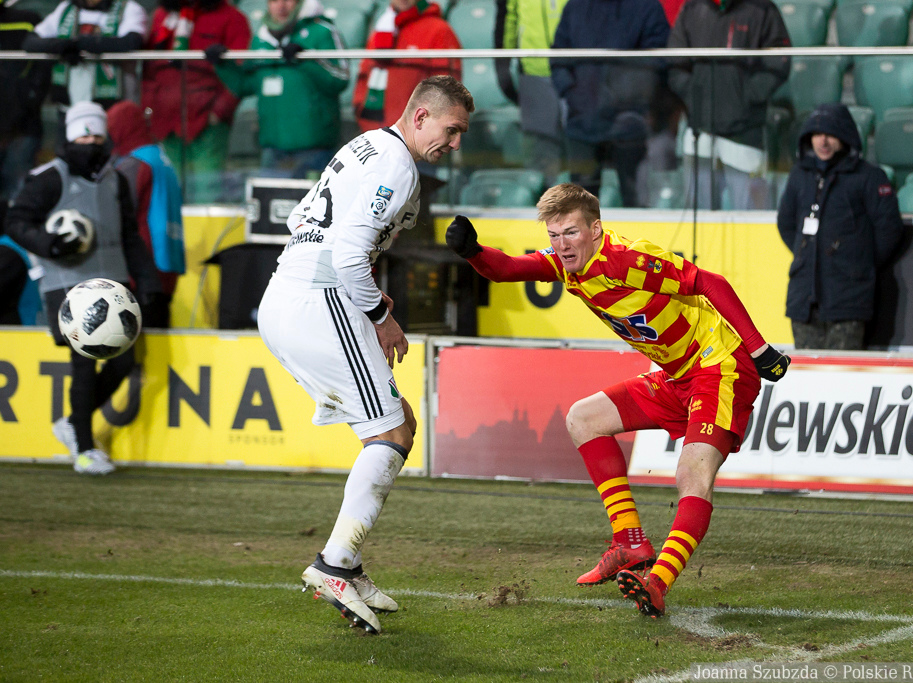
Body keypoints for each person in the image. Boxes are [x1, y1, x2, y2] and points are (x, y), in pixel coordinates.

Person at [445, 183, 790, 618]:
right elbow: (508, 269)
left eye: (571, 233)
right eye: (554, 235)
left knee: (692, 473)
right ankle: (629, 542)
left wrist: (760, 350)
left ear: (595, 229)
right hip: (677, 376)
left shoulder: (626, 260)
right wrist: (473, 251)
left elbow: (711, 283)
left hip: (719, 366)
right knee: (583, 419)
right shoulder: (568, 265)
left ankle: (657, 582)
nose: (561, 245)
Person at [257, 75, 473, 634]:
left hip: (290, 294)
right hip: (318, 300)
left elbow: (299, 220)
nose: (454, 143)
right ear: (420, 116)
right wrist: (381, 317)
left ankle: (347, 564)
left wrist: (359, 293)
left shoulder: (365, 146)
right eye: (451, 130)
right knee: (392, 433)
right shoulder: (396, 166)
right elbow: (350, 256)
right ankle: (333, 565)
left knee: (400, 424)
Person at [4, 101, 162, 475]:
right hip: (68, 286)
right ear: (70, 137)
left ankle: (73, 424)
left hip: (113, 288)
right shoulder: (48, 178)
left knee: (124, 362)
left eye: (96, 136)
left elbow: (129, 235)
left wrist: (147, 280)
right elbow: (16, 221)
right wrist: (49, 244)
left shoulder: (115, 180)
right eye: (83, 136)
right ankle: (85, 449)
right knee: (84, 364)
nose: (90, 142)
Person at [777, 103, 904, 350]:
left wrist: (858, 262)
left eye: (830, 134)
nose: (823, 141)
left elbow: (889, 230)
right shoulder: (799, 174)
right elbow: (786, 223)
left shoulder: (870, 177)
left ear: (845, 137)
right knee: (808, 372)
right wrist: (808, 255)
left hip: (849, 302)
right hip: (803, 302)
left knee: (843, 372)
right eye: (817, 134)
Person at [668, 0, 790, 210]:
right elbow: (674, 63)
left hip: (745, 134)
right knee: (700, 218)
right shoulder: (692, 9)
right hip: (700, 132)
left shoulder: (762, 9)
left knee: (750, 218)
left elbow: (779, 62)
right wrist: (696, 98)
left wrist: (746, 98)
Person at [206, 0, 349, 179]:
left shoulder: (322, 31)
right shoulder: (261, 38)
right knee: (271, 196)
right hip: (272, 148)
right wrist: (223, 64)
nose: (281, 6)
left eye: (287, 0)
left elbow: (340, 79)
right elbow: (245, 85)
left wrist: (306, 59)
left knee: (313, 197)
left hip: (315, 148)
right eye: (274, 0)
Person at [550, 0, 670, 208]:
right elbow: (558, 56)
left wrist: (623, 97)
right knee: (579, 206)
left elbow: (658, 61)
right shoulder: (576, 6)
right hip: (583, 120)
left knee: (635, 202)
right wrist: (572, 93)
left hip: (630, 123)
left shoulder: (647, 6)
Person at [142, 0, 251, 202]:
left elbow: (241, 72)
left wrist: (219, 112)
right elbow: (149, 68)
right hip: (166, 124)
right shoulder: (161, 16)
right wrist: (150, 108)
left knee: (207, 193)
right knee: (171, 192)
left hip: (206, 124)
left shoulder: (232, 17)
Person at [107, 100, 185, 328]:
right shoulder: (161, 158)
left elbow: (118, 214)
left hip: (146, 264)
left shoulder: (134, 165)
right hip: (168, 260)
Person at [351, 0, 461, 134]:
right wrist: (360, 107)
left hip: (418, 133)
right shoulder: (382, 28)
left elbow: (446, 90)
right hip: (376, 130)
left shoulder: (439, 30)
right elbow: (365, 74)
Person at [494, 0, 569, 185]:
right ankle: (545, 199)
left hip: (576, 70)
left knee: (579, 148)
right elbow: (509, 17)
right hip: (533, 71)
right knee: (541, 152)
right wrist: (503, 63)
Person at [22, 0, 148, 110]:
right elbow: (30, 42)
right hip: (69, 106)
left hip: (115, 107)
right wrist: (62, 46)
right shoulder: (66, 8)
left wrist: (80, 44)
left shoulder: (129, 8)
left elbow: (131, 42)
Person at [1, 0, 50, 203]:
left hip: (23, 127)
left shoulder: (27, 21)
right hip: (20, 125)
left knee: (19, 195)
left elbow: (43, 70)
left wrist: (29, 100)